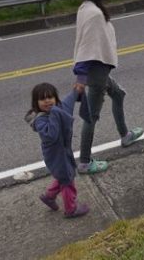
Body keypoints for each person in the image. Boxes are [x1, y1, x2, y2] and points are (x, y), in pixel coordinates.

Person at [73, 0, 144, 175]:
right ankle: (85, 162)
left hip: (98, 69)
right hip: (96, 71)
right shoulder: (94, 14)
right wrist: (81, 77)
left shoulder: (86, 8)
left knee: (118, 94)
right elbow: (86, 47)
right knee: (91, 117)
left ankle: (125, 135)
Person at [25, 82, 90, 218]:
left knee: (63, 174)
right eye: (43, 99)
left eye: (50, 97)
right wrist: (54, 112)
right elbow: (51, 135)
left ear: (56, 98)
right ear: (36, 103)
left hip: (63, 150)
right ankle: (71, 209)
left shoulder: (57, 108)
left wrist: (76, 91)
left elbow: (67, 102)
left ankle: (49, 196)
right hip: (55, 155)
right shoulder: (40, 121)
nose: (47, 100)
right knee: (67, 179)